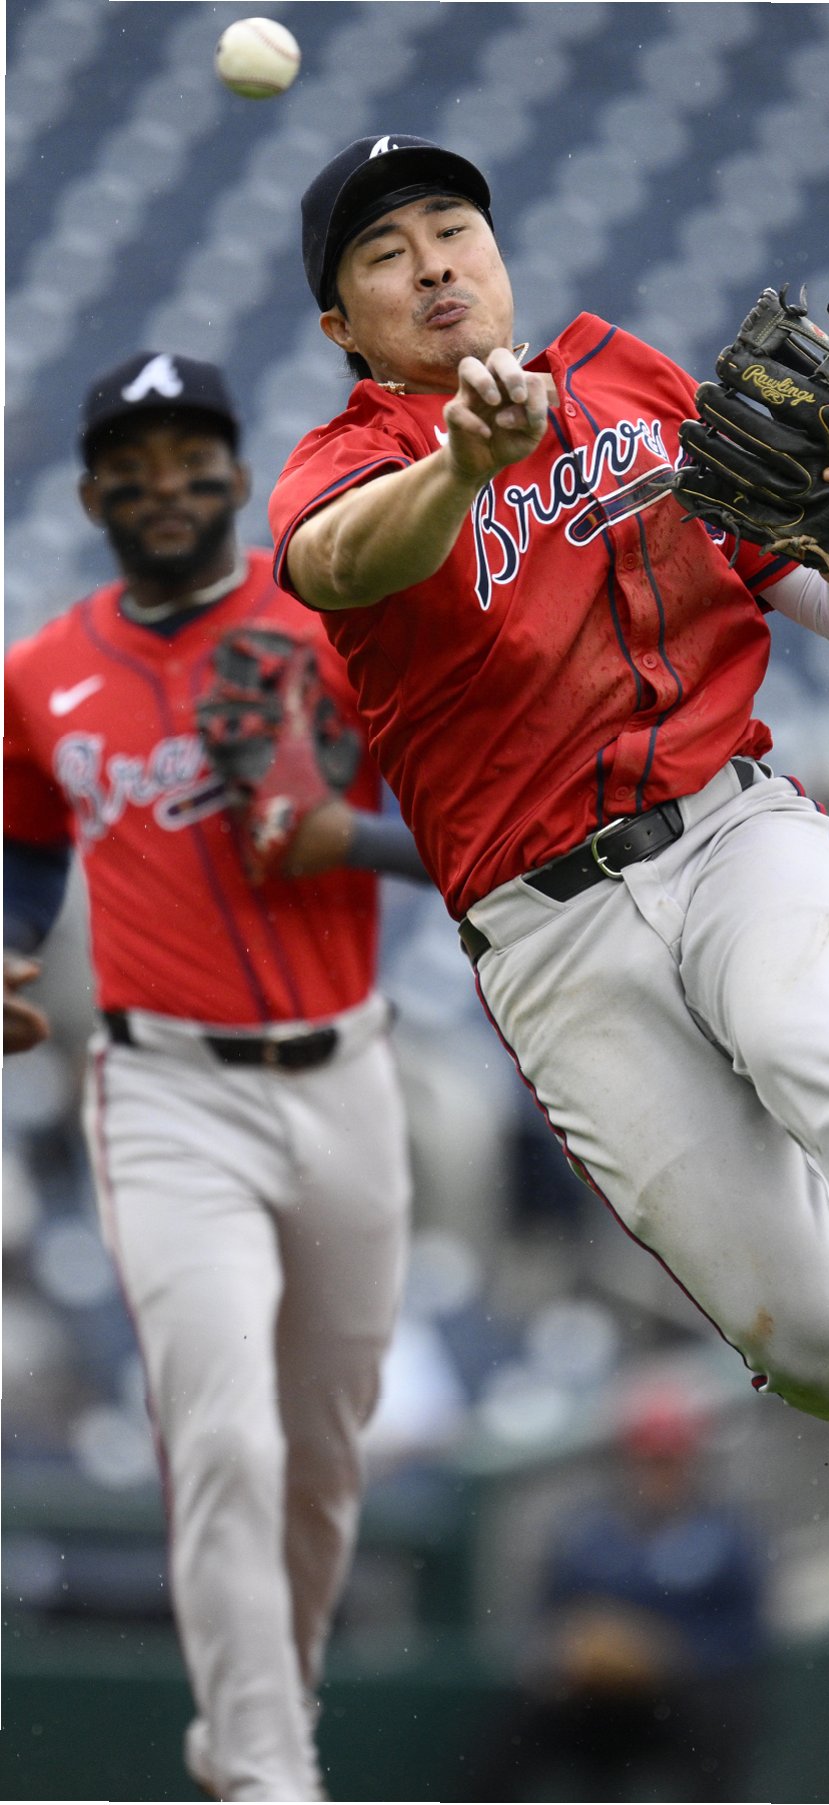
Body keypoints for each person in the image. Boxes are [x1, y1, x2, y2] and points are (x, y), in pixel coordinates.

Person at [267, 135, 829, 1549]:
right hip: (549, 931)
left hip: (727, 827)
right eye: (385, 255)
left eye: (453, 228)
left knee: (807, 1034)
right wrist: (462, 463)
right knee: (805, 1341)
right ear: (343, 327)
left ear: (497, 251)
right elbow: (344, 561)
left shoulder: (628, 381)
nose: (433, 265)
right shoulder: (348, 466)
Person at [3, 352, 429, 1802]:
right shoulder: (40, 673)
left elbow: (474, 831)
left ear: (241, 479)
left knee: (320, 1454)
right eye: (134, 465)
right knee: (224, 1438)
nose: (167, 485)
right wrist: (10, 944)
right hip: (166, 1093)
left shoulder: (329, 619)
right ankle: (265, 1771)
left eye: (193, 459)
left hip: (347, 1071)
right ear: (92, 497)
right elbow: (28, 837)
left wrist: (341, 833)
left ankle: (260, 1717)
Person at [479, 1381, 767, 1803]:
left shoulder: (726, 1536)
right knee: (520, 1719)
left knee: (721, 1717)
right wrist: (579, 1649)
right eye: (647, 1460)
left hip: (684, 1697)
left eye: (669, 1460)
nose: (658, 1474)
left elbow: (747, 1638)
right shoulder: (587, 1534)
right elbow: (547, 1621)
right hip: (602, 1701)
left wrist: (661, 1654)